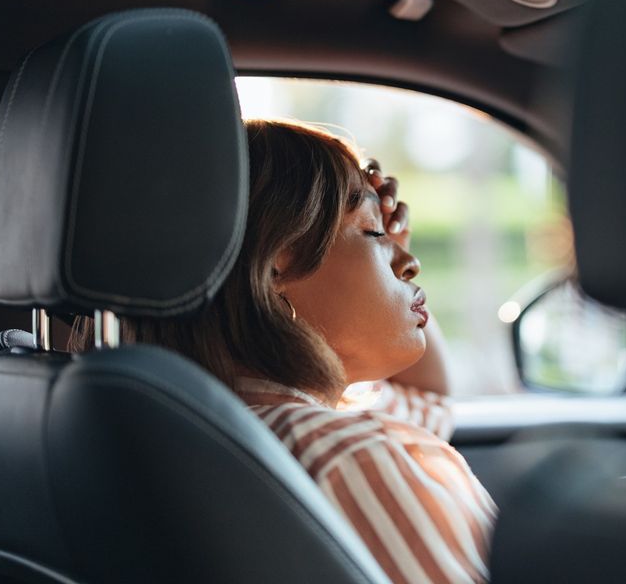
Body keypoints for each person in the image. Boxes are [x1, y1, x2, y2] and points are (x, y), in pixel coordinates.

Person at [71, 118, 496, 584]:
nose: (410, 263)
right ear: (276, 265)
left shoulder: (202, 423)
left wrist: (385, 257)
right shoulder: (345, 460)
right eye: (375, 232)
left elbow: (430, 400)